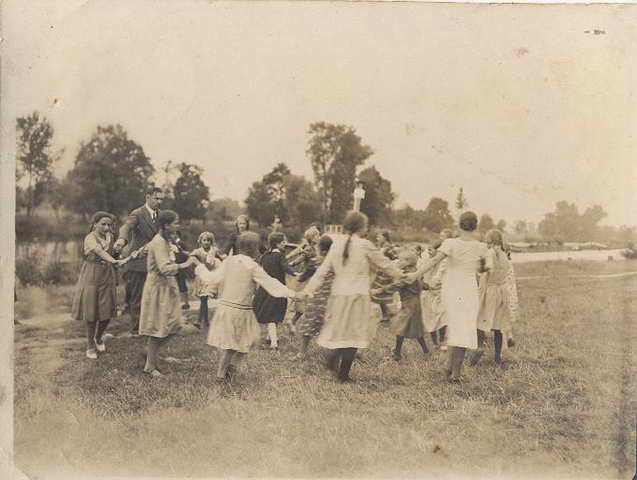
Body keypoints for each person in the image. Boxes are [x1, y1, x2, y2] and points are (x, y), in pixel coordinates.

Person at [303, 211, 403, 383]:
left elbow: (322, 271)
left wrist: (307, 290)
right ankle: (341, 371)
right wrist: (402, 275)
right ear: (362, 227)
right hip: (358, 296)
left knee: (342, 332)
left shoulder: (336, 244)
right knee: (355, 335)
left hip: (338, 295)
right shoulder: (365, 245)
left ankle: (335, 359)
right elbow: (385, 265)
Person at [192, 232, 302, 384]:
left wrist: (199, 268)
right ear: (253, 248)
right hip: (237, 310)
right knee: (232, 345)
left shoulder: (230, 261)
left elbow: (212, 278)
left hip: (232, 309)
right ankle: (221, 376)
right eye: (257, 247)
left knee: (247, 341)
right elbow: (271, 283)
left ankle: (230, 369)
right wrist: (292, 293)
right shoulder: (252, 266)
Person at [410, 211, 490, 382]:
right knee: (463, 330)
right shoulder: (481, 247)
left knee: (456, 328)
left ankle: (449, 367)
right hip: (468, 290)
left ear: (459, 225)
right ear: (475, 226)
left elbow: (434, 260)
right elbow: (483, 269)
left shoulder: (450, 243)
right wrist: (481, 263)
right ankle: (455, 373)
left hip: (452, 289)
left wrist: (416, 274)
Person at [139, 210, 196, 377]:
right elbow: (164, 268)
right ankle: (149, 366)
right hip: (158, 288)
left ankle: (150, 351)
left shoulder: (166, 240)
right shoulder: (158, 242)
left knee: (175, 324)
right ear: (166, 225)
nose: (178, 225)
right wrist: (185, 264)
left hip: (167, 287)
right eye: (176, 222)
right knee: (159, 326)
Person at [71, 212, 126, 359]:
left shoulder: (110, 236)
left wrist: (117, 253)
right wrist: (113, 261)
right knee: (92, 312)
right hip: (92, 275)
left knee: (107, 311)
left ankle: (99, 337)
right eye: (103, 224)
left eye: (109, 224)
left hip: (107, 275)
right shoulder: (90, 238)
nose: (107, 227)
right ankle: (90, 345)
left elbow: (113, 254)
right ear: (95, 224)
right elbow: (100, 252)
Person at [114, 187, 164, 336]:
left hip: (155, 262)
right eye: (156, 198)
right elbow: (126, 227)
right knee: (137, 298)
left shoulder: (161, 215)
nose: (159, 201)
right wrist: (121, 240)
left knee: (155, 296)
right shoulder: (137, 213)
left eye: (161, 199)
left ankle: (152, 327)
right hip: (138, 262)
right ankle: (136, 330)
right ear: (148, 197)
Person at [471, 229, 519, 367]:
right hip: (501, 292)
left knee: (480, 320)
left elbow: (483, 271)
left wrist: (478, 264)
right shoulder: (504, 255)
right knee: (498, 326)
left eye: (487, 242)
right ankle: (497, 356)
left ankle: (479, 346)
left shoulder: (490, 254)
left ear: (491, 242)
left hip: (490, 290)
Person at [376, 247, 429, 361]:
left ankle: (397, 354)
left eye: (400, 260)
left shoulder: (407, 276)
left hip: (409, 305)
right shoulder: (415, 272)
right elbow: (423, 285)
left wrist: (380, 290)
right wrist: (427, 286)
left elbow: (396, 286)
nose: (398, 262)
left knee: (401, 328)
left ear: (408, 262)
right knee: (414, 329)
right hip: (414, 304)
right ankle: (425, 351)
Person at [253, 232, 297, 350]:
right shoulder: (280, 256)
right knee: (273, 316)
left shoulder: (265, 256)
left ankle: (269, 338)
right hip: (278, 289)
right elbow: (285, 267)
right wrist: (295, 273)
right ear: (277, 244)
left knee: (271, 315)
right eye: (283, 242)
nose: (285, 244)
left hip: (265, 289)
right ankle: (274, 343)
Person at [296, 234, 334, 359]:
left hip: (317, 298)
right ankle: (333, 351)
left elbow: (308, 274)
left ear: (322, 251)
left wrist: (301, 278)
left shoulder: (318, 262)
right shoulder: (336, 263)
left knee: (308, 323)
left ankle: (302, 352)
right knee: (331, 325)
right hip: (332, 299)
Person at [190, 232, 222, 329]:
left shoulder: (214, 250)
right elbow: (191, 257)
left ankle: (201, 321)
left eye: (208, 240)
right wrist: (199, 264)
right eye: (204, 240)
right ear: (200, 241)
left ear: (211, 242)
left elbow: (221, 257)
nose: (206, 242)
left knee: (204, 299)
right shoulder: (198, 251)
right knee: (203, 299)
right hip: (202, 278)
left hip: (211, 277)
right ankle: (204, 321)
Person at [420, 241, 448, 349]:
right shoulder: (426, 261)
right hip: (428, 293)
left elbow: (440, 276)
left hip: (439, 292)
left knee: (441, 317)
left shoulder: (444, 262)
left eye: (430, 249)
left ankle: (442, 340)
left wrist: (430, 284)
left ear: (439, 251)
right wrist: (422, 283)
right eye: (428, 250)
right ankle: (435, 342)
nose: (428, 252)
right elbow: (421, 272)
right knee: (429, 318)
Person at [370, 230, 399, 326]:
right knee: (379, 295)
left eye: (379, 236)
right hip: (381, 274)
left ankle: (387, 316)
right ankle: (386, 315)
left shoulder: (388, 247)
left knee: (382, 294)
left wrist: (390, 268)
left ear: (384, 237)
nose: (377, 238)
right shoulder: (381, 246)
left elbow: (396, 259)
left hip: (386, 275)